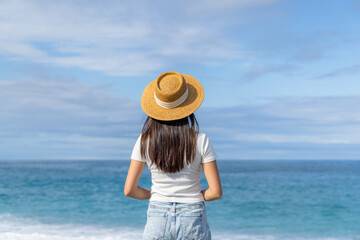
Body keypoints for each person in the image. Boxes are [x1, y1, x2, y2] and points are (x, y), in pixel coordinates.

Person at [124, 71, 222, 240]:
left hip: (157, 215)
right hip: (193, 215)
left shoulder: (144, 141)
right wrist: (194, 194)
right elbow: (215, 192)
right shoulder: (201, 140)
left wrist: (154, 194)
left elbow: (129, 190)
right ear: (188, 107)